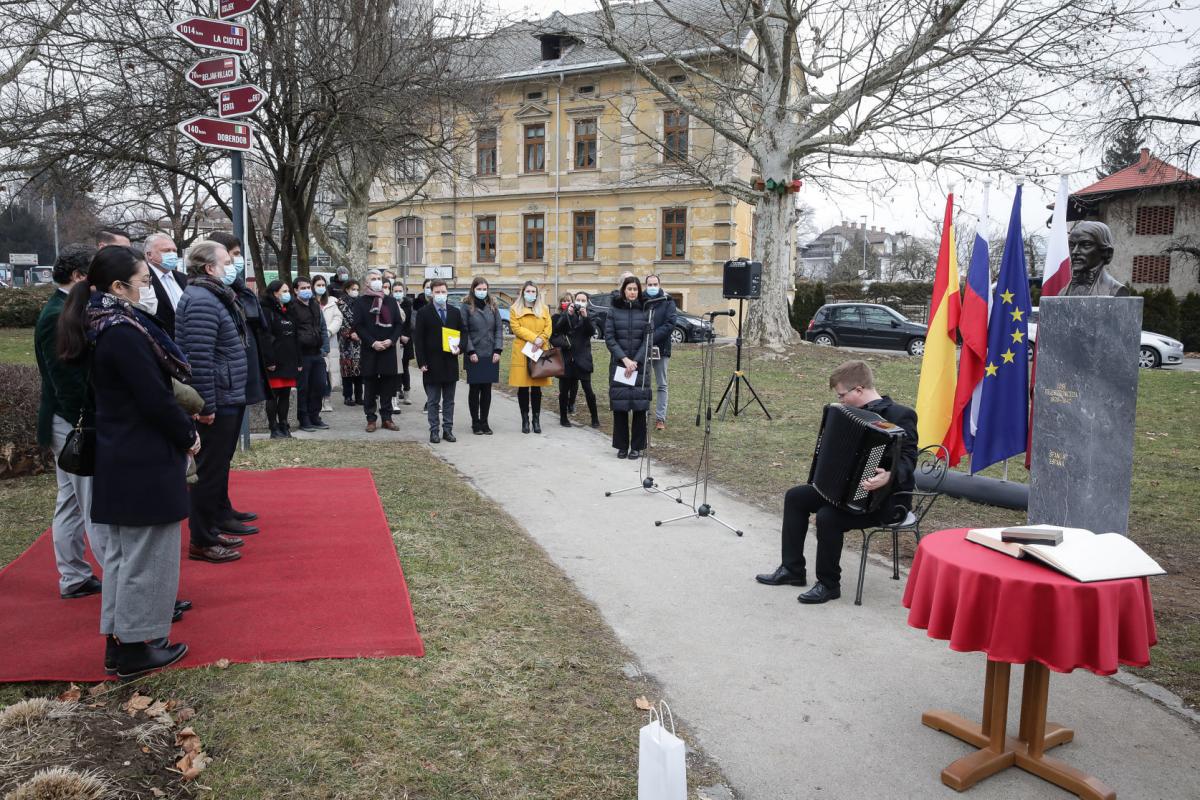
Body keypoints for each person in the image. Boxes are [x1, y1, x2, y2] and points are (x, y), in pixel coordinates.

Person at [57, 245, 195, 678]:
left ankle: (123, 642)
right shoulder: (122, 331)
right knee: (146, 557)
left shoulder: (103, 325)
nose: (149, 288)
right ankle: (137, 645)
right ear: (118, 286)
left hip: (125, 456)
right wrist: (187, 434)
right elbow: (154, 398)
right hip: (142, 458)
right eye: (143, 281)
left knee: (122, 555)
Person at [755, 360, 918, 604]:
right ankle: (792, 570)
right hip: (845, 491)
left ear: (859, 390)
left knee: (827, 516)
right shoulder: (843, 413)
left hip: (885, 502)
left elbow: (908, 458)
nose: (840, 400)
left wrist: (888, 476)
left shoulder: (900, 415)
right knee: (796, 497)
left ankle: (829, 584)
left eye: (842, 395)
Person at [35, 243, 107, 599]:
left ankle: (74, 576)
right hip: (71, 424)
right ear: (79, 277)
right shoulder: (55, 315)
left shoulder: (67, 308)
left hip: (71, 422)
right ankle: (121, 584)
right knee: (91, 502)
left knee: (70, 501)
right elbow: (65, 380)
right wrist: (89, 420)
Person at [175, 241, 248, 565]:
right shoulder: (203, 300)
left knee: (216, 470)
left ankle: (211, 528)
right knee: (208, 472)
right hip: (217, 397)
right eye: (225, 260)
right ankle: (202, 540)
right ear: (209, 268)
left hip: (227, 392)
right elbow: (199, 358)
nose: (231, 265)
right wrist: (204, 406)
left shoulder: (213, 295)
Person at [206, 232, 265, 532]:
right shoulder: (209, 296)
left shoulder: (234, 291)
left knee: (224, 455)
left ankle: (223, 507)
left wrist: (240, 285)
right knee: (216, 457)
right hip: (222, 384)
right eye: (232, 257)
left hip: (238, 379)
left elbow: (255, 315)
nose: (237, 263)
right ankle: (213, 518)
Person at [604, 275, 652, 458]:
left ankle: (637, 447)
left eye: (635, 289)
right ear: (624, 290)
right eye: (629, 289)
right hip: (620, 365)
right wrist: (625, 360)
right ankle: (622, 446)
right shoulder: (614, 310)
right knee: (620, 406)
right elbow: (610, 338)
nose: (632, 292)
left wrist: (636, 362)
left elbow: (648, 339)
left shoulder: (646, 311)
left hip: (639, 366)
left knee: (639, 407)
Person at [353, 269, 403, 432]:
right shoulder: (361, 302)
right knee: (370, 385)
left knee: (388, 385)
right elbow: (358, 325)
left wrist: (391, 340)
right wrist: (373, 342)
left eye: (379, 278)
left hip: (388, 348)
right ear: (367, 283)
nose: (377, 281)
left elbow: (397, 324)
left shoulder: (390, 301)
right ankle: (371, 418)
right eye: (373, 279)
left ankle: (387, 418)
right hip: (370, 349)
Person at [413, 279, 463, 443]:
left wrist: (460, 347)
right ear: (431, 294)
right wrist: (421, 362)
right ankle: (434, 430)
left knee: (449, 400)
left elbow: (463, 333)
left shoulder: (455, 312)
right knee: (433, 401)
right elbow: (418, 339)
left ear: (447, 293)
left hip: (450, 362)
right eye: (437, 292)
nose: (440, 295)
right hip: (431, 363)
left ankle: (447, 430)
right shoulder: (424, 312)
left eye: (443, 292)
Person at [508, 280, 553, 434]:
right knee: (523, 387)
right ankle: (525, 419)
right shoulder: (515, 309)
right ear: (523, 293)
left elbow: (548, 327)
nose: (531, 294)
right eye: (528, 291)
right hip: (523, 350)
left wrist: (542, 339)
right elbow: (515, 328)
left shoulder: (544, 309)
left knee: (536, 388)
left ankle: (536, 419)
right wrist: (535, 338)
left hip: (539, 350)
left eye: (534, 291)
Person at [461, 276, 503, 434]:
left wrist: (498, 350)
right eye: (479, 289)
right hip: (474, 353)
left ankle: (485, 422)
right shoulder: (466, 306)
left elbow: (499, 328)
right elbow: (464, 330)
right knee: (475, 389)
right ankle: (475, 423)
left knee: (487, 389)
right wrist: (470, 350)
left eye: (484, 289)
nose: (482, 292)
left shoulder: (492, 305)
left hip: (490, 353)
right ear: (473, 289)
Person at [260, 281, 301, 438]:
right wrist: (269, 361)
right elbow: (265, 337)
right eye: (284, 291)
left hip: (289, 360)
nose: (287, 294)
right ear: (275, 293)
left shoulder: (289, 310)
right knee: (274, 395)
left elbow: (296, 337)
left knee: (285, 394)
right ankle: (273, 427)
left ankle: (284, 424)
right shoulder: (266, 310)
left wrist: (299, 361)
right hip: (275, 361)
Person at [552, 290, 599, 429]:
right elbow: (557, 330)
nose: (580, 303)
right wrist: (568, 314)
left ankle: (594, 417)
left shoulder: (591, 315)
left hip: (583, 358)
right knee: (564, 390)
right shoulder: (566, 314)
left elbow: (591, 331)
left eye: (583, 300)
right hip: (567, 358)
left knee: (588, 390)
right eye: (578, 300)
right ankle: (563, 417)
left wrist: (585, 317)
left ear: (587, 302)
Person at [290, 276, 330, 431]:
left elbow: (322, 327)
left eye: (308, 287)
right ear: (295, 290)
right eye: (303, 288)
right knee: (303, 387)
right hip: (302, 354)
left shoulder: (314, 304)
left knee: (320, 385)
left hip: (317, 352)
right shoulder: (292, 307)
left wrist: (324, 348)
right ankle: (304, 417)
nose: (307, 290)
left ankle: (315, 416)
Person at [644, 274, 676, 431]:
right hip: (643, 349)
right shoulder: (642, 301)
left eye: (655, 284)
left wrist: (653, 337)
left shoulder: (668, 301)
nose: (652, 287)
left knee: (661, 384)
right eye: (649, 284)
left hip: (661, 348)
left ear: (659, 284)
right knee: (644, 383)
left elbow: (670, 324)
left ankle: (660, 418)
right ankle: (643, 413)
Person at [1065, 221, 1130, 297]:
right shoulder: (1063, 292)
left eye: (1085, 245)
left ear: (1107, 252)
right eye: (1072, 245)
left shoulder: (1115, 290)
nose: (1074, 252)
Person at [144, 232, 186, 338]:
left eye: (174, 250)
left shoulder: (183, 278)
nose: (172, 254)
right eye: (166, 251)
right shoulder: (143, 280)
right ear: (149, 255)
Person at [315, 274, 342, 413]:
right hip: (315, 342)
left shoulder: (331, 302)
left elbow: (338, 319)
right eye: (318, 285)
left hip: (330, 342)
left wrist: (329, 331)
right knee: (319, 374)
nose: (320, 288)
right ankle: (317, 400)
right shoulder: (310, 302)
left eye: (322, 285)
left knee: (329, 373)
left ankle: (327, 399)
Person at [337, 279, 364, 405]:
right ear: (347, 289)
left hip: (360, 341)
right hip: (346, 342)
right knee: (347, 370)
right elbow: (339, 321)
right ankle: (347, 396)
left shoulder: (361, 303)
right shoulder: (340, 303)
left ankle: (359, 396)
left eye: (357, 289)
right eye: (353, 289)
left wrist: (361, 333)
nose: (356, 292)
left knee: (359, 369)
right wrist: (349, 333)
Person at [395, 281, 415, 406]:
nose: (398, 293)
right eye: (395, 291)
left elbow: (410, 322)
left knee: (405, 367)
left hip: (407, 339)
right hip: (395, 339)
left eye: (400, 291)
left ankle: (407, 393)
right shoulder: (390, 304)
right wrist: (398, 335)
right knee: (396, 368)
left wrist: (406, 335)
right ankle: (397, 392)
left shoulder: (408, 304)